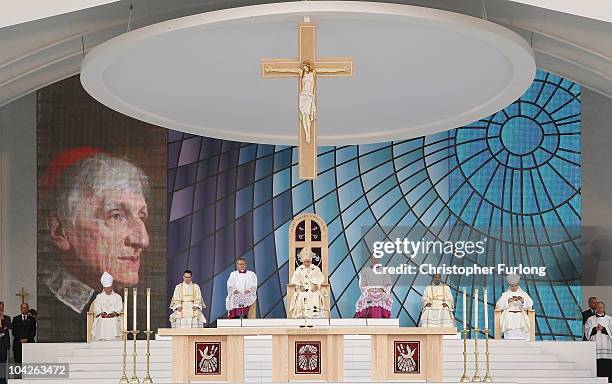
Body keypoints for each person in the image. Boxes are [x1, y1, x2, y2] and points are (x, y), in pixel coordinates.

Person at [39, 151, 150, 341]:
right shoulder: (45, 309)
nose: (143, 240)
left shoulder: (129, 310)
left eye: (141, 216)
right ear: (60, 232)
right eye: (116, 216)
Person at [289, 247, 326, 318]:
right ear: (302, 261)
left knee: (315, 295)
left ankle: (315, 315)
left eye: (308, 261)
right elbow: (295, 280)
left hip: (313, 289)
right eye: (305, 262)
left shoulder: (316, 269)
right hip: (302, 290)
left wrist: (317, 286)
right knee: (300, 296)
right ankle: (301, 315)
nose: (306, 263)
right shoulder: (299, 269)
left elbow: (321, 278)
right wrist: (300, 286)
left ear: (311, 261)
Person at [495, 274, 533, 340]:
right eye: (512, 286)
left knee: (521, 318)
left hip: (520, 314)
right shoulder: (505, 294)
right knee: (509, 318)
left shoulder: (523, 294)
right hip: (509, 314)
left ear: (518, 284)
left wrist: (523, 302)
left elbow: (530, 305)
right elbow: (498, 306)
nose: (514, 287)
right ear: (509, 285)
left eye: (515, 285)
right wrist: (508, 302)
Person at [584, 302, 612, 381]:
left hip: (607, 346)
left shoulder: (609, 319)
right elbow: (587, 331)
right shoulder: (590, 319)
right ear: (596, 308)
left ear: (604, 308)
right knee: (596, 364)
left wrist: (604, 329)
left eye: (602, 307)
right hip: (595, 346)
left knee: (607, 364)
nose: (600, 309)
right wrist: (594, 329)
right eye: (599, 307)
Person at [91, 272, 123, 341]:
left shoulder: (117, 297)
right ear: (104, 288)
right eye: (107, 288)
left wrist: (115, 313)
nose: (108, 290)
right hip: (102, 317)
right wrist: (101, 313)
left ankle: (115, 341)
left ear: (112, 287)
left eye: (110, 288)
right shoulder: (99, 297)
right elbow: (96, 308)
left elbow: (119, 308)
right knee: (102, 321)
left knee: (114, 320)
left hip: (113, 317)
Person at [0, 302, 11, 384]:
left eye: (2, 307)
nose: (1, 308)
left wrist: (2, 318)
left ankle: (3, 381)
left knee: (3, 363)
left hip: (4, 344)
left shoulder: (7, 318)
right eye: (0, 307)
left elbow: (9, 326)